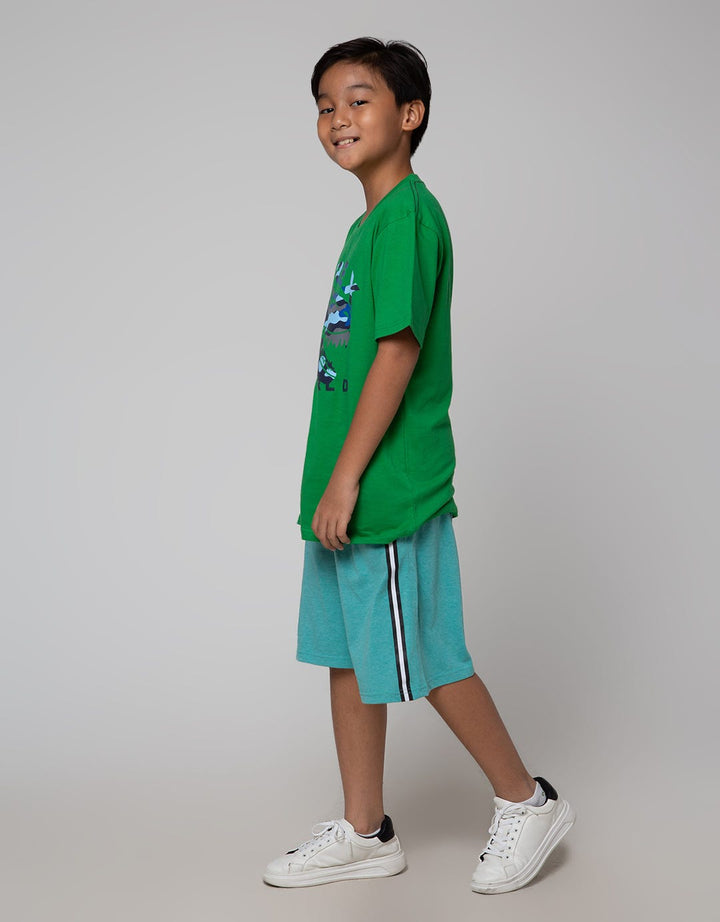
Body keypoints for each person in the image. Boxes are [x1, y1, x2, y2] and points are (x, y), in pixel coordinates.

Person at [262, 36, 575, 894]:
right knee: (347, 654)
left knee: (429, 654)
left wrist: (348, 477)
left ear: (410, 114)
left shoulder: (406, 217)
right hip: (348, 491)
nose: (338, 118)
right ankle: (366, 830)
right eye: (325, 106)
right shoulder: (369, 225)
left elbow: (396, 354)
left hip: (388, 488)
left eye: (358, 100)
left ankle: (527, 800)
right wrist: (331, 483)